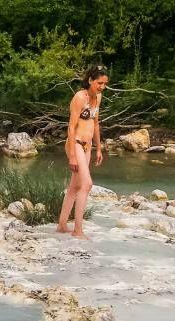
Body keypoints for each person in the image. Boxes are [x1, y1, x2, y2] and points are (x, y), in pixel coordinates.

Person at [57, 64, 109, 239]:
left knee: (75, 186)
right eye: (99, 83)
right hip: (76, 143)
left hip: (87, 145)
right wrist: (72, 154)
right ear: (90, 80)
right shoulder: (80, 97)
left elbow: (95, 123)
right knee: (87, 184)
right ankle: (77, 230)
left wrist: (99, 148)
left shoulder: (98, 98)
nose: (101, 87)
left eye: (104, 84)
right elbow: (71, 127)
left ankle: (62, 224)